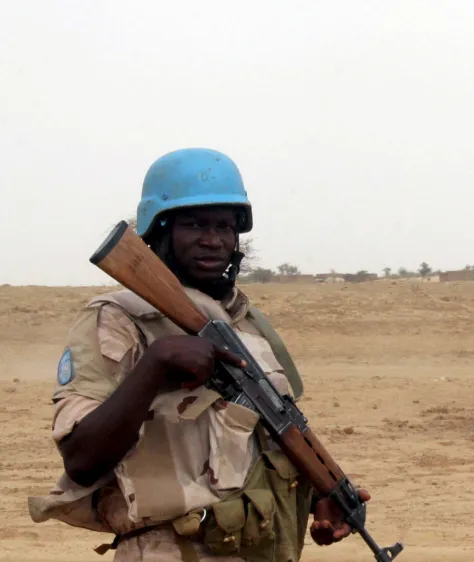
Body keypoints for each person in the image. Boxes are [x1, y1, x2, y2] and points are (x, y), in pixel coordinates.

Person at [28, 148, 367, 560]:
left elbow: (263, 438)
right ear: (159, 230)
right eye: (194, 225)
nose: (214, 239)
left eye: (225, 226)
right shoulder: (119, 319)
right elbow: (81, 459)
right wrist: (156, 364)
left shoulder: (246, 322)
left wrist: (318, 497)